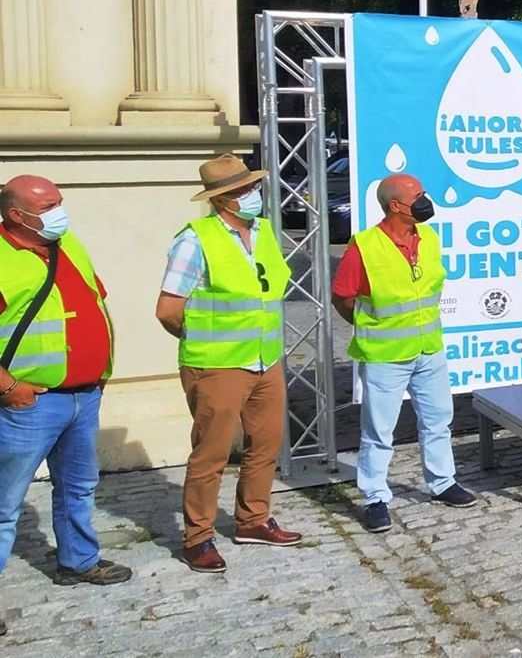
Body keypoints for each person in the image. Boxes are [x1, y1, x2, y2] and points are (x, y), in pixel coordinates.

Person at [156, 155, 304, 573]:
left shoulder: (264, 231)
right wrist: (208, 342)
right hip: (216, 365)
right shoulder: (194, 240)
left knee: (266, 443)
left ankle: (253, 519)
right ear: (220, 199)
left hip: (265, 358)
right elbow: (168, 310)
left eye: (252, 186)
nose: (252, 194)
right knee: (211, 454)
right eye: (241, 191)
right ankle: (197, 537)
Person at [0, 176, 131, 606]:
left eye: (60, 202)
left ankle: (78, 561)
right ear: (16, 215)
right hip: (28, 403)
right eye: (48, 206)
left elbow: (95, 301)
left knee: (78, 486)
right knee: (4, 505)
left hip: (83, 395)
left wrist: (102, 368)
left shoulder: (67, 243)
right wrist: (9, 387)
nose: (60, 212)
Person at [333, 174, 477, 534]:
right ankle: (375, 497)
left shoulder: (429, 237)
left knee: (438, 420)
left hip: (429, 348)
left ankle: (442, 482)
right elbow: (343, 297)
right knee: (378, 430)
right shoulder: (365, 246)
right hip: (385, 354)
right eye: (418, 196)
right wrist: (372, 327)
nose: (426, 200)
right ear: (395, 205)